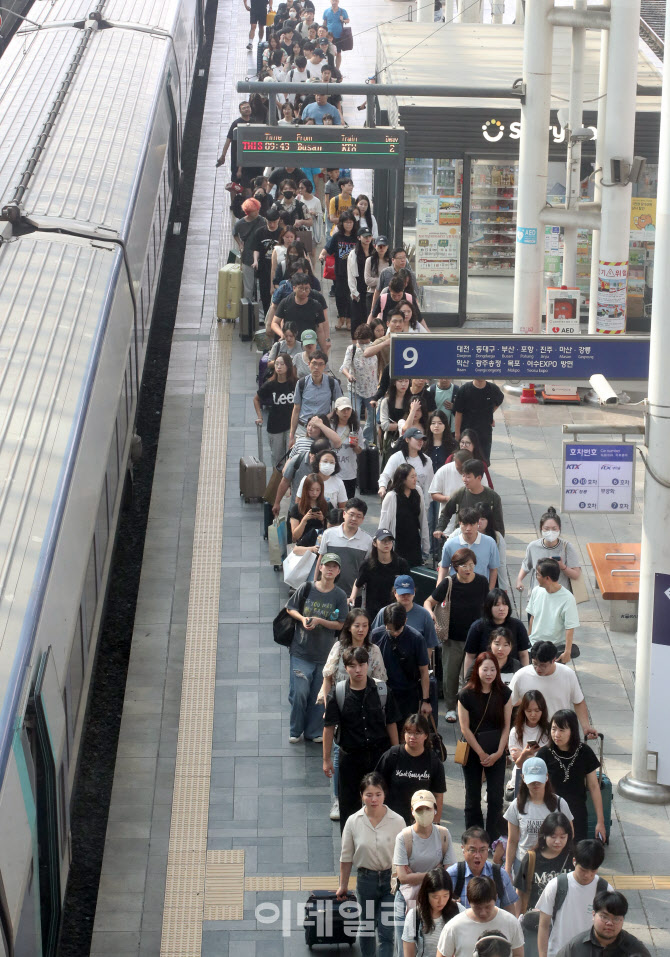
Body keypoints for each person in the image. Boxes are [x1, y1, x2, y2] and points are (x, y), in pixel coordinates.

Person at [319, 609, 387, 820]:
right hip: (342, 703)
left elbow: (381, 679)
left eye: (365, 625)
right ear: (349, 626)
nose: (361, 629)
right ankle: (339, 798)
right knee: (341, 754)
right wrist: (328, 703)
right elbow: (328, 676)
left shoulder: (374, 650)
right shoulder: (339, 648)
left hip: (366, 705)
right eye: (357, 625)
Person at [336, 771, 405, 957]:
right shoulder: (353, 822)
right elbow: (346, 856)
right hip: (366, 881)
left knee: (386, 931)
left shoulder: (398, 821)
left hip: (391, 882)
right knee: (366, 928)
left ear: (385, 794)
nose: (374, 799)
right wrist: (342, 886)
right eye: (369, 794)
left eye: (378, 794)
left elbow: (405, 856)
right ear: (361, 796)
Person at [285, 553, 347, 742]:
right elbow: (290, 608)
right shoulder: (306, 588)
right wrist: (303, 619)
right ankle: (295, 730)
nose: (330, 569)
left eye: (334, 567)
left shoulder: (340, 595)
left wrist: (321, 621)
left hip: (325, 653)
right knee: (300, 692)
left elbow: (341, 623)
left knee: (319, 695)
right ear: (320, 568)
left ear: (338, 571)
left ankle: (314, 731)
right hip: (301, 650)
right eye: (326, 565)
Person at [424, 547, 489, 722]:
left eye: (470, 564)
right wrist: (430, 612)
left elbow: (488, 606)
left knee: (473, 674)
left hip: (476, 638)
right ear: (455, 567)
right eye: (463, 565)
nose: (468, 569)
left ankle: (470, 706)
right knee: (451, 675)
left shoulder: (482, 582)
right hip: (453, 637)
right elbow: (428, 601)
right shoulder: (449, 583)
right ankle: (451, 707)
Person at [393, 792, 457, 956]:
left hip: (436, 896)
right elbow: (403, 877)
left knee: (436, 944)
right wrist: (436, 872)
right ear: (412, 811)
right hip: (408, 900)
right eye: (419, 809)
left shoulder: (443, 834)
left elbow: (448, 873)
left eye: (428, 809)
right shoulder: (404, 837)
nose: (424, 813)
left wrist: (417, 875)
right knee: (405, 949)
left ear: (435, 810)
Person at [457, 653, 513, 839]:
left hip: (496, 749)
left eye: (492, 669)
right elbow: (464, 728)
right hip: (473, 751)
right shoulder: (465, 694)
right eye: (485, 669)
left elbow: (507, 725)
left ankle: (493, 837)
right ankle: (473, 837)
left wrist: (499, 752)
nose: (489, 673)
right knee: (472, 796)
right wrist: (480, 753)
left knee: (496, 796)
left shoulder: (504, 693)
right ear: (477, 670)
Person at [537, 710, 607, 844]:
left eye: (562, 730)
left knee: (576, 855)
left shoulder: (584, 752)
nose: (556, 734)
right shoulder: (544, 754)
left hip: (577, 814)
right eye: (553, 729)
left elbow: (593, 787)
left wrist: (600, 822)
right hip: (551, 814)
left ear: (572, 731)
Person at [536, 839, 612, 957]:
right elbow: (543, 925)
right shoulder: (556, 886)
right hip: (558, 953)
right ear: (574, 861)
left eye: (593, 871)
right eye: (583, 870)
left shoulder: (605, 890)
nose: (587, 875)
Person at [510, 642, 599, 741]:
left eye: (543, 665)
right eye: (535, 664)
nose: (538, 669)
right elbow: (508, 704)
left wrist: (586, 727)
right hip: (531, 735)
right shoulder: (521, 676)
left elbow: (578, 701)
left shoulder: (567, 674)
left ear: (553, 660)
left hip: (559, 734)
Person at [504, 757, 574, 879]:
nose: (536, 784)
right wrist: (508, 869)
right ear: (523, 778)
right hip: (524, 862)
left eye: (539, 780)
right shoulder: (517, 805)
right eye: (532, 780)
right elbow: (512, 840)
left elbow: (570, 834)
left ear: (546, 777)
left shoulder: (560, 803)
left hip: (553, 864)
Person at [376, 717, 447, 825]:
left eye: (417, 733)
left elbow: (438, 794)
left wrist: (435, 823)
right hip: (391, 820)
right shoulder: (392, 755)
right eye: (409, 732)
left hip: (421, 821)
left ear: (426, 735)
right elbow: (375, 785)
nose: (412, 737)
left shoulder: (433, 761)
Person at [371, 603, 432, 725]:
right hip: (382, 692)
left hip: (407, 693)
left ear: (405, 621)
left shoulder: (416, 638)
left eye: (397, 630)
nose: (394, 633)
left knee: (406, 729)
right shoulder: (376, 635)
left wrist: (426, 700)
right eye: (389, 629)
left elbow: (424, 671)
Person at [436, 876, 524, 957]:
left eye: (488, 907)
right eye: (477, 908)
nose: (483, 913)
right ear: (468, 901)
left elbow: (518, 954)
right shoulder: (453, 927)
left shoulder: (510, 922)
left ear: (496, 898)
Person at [514, 812, 574, 928]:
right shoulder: (531, 858)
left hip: (564, 921)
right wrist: (517, 921)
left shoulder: (573, 858)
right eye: (553, 836)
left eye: (562, 837)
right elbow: (519, 892)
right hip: (535, 921)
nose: (558, 841)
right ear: (544, 836)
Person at [556, 890, 652, 957]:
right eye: (604, 917)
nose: (610, 923)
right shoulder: (575, 946)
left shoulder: (635, 949)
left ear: (623, 920)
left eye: (616, 918)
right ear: (593, 915)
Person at [446, 828, 519, 913]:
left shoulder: (500, 875)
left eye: (482, 850)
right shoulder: (452, 875)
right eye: (472, 850)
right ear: (463, 850)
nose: (477, 855)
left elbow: (509, 909)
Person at [516, 507, 582, 600]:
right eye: (546, 529)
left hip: (559, 599)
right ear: (541, 528)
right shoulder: (533, 546)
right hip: (537, 598)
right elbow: (526, 565)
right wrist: (519, 580)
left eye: (554, 529)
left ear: (559, 529)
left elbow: (576, 575)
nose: (550, 532)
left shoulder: (567, 547)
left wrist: (562, 566)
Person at [372, 576, 438, 665]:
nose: (405, 596)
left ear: (414, 592)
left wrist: (422, 667)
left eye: (408, 593)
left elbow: (429, 645)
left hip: (413, 666)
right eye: (402, 594)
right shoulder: (384, 612)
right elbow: (373, 640)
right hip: (385, 664)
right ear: (395, 592)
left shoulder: (424, 615)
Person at [350, 529, 410, 624]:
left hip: (394, 610)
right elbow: (358, 582)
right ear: (374, 543)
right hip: (373, 612)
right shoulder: (367, 564)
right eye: (383, 541)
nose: (387, 544)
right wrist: (352, 597)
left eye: (389, 541)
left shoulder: (401, 564)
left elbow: (408, 586)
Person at [315, 496, 372, 594]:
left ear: (363, 519)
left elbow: (366, 568)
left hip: (352, 595)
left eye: (358, 516)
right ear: (344, 514)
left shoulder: (367, 540)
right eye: (351, 514)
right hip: (327, 590)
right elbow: (320, 559)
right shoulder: (329, 534)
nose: (354, 519)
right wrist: (315, 582)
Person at [464, 589, 530, 673]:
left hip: (511, 673)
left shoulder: (518, 625)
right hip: (485, 674)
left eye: (505, 604)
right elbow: (470, 656)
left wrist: (525, 675)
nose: (501, 608)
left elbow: (523, 654)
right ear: (489, 607)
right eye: (497, 605)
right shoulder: (477, 627)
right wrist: (467, 680)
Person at [436, 460, 505, 539]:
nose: (464, 479)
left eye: (468, 477)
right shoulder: (459, 494)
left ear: (479, 478)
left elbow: (498, 523)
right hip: (462, 539)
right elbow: (446, 514)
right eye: (463, 476)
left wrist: (499, 541)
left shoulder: (493, 497)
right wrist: (439, 529)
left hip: (485, 539)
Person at [527, 560, 580, 662]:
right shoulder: (536, 591)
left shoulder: (567, 598)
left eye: (538, 575)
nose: (536, 577)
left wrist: (567, 652)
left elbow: (570, 627)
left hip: (555, 649)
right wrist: (528, 641)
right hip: (534, 646)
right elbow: (532, 617)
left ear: (547, 578)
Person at [402, 868, 463, 957]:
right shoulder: (414, 916)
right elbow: (409, 953)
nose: (441, 902)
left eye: (445, 896)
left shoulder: (459, 911)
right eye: (435, 897)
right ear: (426, 894)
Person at [379, 464, 430, 567]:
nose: (415, 479)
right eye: (412, 477)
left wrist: (426, 546)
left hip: (414, 541)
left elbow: (423, 519)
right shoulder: (392, 497)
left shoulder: (417, 492)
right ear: (402, 479)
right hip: (398, 543)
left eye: (416, 476)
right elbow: (383, 525)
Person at [436, 507, 500, 589]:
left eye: (472, 524)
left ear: (478, 524)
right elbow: (444, 567)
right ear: (460, 524)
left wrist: (490, 592)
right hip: (456, 590)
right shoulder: (450, 544)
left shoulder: (490, 543)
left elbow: (493, 569)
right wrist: (438, 588)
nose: (468, 528)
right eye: (465, 524)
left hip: (480, 591)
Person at [253, 353, 296, 465]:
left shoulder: (295, 383)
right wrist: (260, 416)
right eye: (277, 364)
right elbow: (256, 399)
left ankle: (289, 481)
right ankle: (277, 481)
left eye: (282, 364)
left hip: (292, 426)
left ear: (288, 366)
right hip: (275, 426)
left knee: (291, 456)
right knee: (277, 458)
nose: (279, 366)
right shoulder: (270, 384)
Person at [289, 351, 341, 443]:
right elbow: (296, 409)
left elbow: (339, 407)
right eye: (314, 364)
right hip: (303, 428)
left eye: (321, 364)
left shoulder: (332, 383)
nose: (317, 368)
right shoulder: (301, 383)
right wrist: (291, 435)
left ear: (325, 366)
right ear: (309, 364)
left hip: (322, 429)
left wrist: (328, 417)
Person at [340, 324, 379, 445]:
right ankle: (354, 438)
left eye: (365, 342)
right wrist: (348, 375)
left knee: (372, 417)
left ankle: (367, 440)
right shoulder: (352, 349)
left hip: (372, 390)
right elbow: (344, 367)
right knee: (354, 415)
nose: (363, 345)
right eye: (361, 342)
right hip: (355, 388)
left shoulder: (374, 347)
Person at [273, 275, 330, 355]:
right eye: (301, 288)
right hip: (291, 344)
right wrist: (282, 334)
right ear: (294, 288)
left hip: (309, 344)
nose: (304, 292)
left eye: (307, 289)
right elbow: (274, 323)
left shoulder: (316, 306)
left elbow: (320, 330)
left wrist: (324, 352)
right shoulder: (286, 303)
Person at [379, 428, 435, 510]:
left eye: (422, 439)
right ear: (407, 439)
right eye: (417, 438)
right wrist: (382, 487)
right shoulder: (396, 457)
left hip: (418, 504)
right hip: (398, 502)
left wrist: (425, 507)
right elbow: (386, 474)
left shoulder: (427, 461)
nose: (420, 441)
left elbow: (428, 485)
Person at [508, 690, 551, 794]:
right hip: (520, 777)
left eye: (537, 711)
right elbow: (518, 763)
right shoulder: (516, 731)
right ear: (523, 711)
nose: (533, 715)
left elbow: (547, 762)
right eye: (529, 711)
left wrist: (524, 755)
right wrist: (526, 754)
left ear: (542, 711)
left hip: (542, 779)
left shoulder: (548, 731)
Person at [453, 379, 505, 465]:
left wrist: (489, 413)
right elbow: (458, 413)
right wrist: (457, 434)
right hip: (467, 432)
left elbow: (499, 400)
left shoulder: (493, 389)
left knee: (483, 461)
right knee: (465, 461)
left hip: (484, 433)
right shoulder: (464, 389)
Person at [322, 210, 358, 331]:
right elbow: (328, 248)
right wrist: (322, 255)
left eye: (350, 222)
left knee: (351, 296)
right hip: (340, 271)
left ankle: (349, 319)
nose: (348, 225)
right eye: (346, 222)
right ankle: (341, 317)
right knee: (339, 295)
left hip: (354, 273)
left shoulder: (357, 237)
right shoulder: (337, 237)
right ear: (341, 224)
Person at [370, 247, 420, 319]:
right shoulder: (385, 273)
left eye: (404, 257)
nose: (403, 260)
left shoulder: (411, 275)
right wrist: (373, 309)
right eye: (400, 258)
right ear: (393, 260)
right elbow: (378, 291)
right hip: (388, 309)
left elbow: (415, 295)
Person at [329, 394, 363, 498]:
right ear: (336, 411)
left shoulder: (356, 428)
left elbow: (359, 450)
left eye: (348, 409)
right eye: (343, 410)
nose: (346, 412)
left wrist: (355, 446)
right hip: (333, 472)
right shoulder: (330, 427)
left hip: (349, 473)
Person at [233, 198, 266, 301]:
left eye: (257, 210)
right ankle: (247, 309)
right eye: (254, 211)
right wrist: (240, 244)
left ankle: (260, 312)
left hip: (261, 255)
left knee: (260, 286)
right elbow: (234, 234)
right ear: (248, 212)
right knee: (248, 286)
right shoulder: (240, 224)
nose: (257, 212)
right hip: (247, 255)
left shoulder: (262, 220)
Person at [253, 205, 283, 313]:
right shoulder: (260, 232)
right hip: (264, 268)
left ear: (278, 220)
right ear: (266, 220)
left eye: (274, 222)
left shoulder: (282, 233)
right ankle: (266, 316)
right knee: (265, 295)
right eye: (270, 222)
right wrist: (256, 260)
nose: (272, 225)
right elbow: (256, 249)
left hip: (278, 268)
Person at [378, 374, 412, 465]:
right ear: (394, 383)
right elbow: (384, 425)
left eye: (406, 381)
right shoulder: (386, 401)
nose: (403, 384)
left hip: (409, 439)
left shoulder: (412, 401)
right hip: (391, 439)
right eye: (400, 381)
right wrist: (402, 426)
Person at [288, 471, 329, 546]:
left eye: (318, 490)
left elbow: (332, 530)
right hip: (303, 545)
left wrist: (323, 520)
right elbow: (295, 536)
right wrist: (304, 520)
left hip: (322, 544)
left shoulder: (327, 506)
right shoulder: (297, 509)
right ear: (306, 490)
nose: (315, 493)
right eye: (311, 490)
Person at [348, 227, 375, 335]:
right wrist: (353, 291)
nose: (368, 238)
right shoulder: (353, 254)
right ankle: (355, 342)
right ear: (359, 238)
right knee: (356, 317)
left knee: (368, 314)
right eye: (365, 236)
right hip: (358, 285)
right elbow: (350, 273)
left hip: (371, 286)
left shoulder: (374, 252)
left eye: (369, 236)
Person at [365, 236, 391, 312]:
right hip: (372, 294)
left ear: (387, 247)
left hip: (387, 294)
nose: (381, 248)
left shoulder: (390, 261)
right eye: (379, 246)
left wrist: (377, 280)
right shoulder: (370, 260)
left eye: (384, 246)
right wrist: (383, 280)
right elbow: (367, 280)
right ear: (375, 246)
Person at [322, 0, 349, 68]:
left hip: (338, 36)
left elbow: (348, 20)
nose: (334, 2)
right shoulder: (326, 11)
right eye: (333, 1)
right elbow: (324, 23)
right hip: (328, 36)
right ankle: (328, 67)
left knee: (338, 53)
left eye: (336, 1)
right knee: (328, 52)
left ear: (338, 2)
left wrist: (343, 20)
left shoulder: (342, 11)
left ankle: (337, 69)